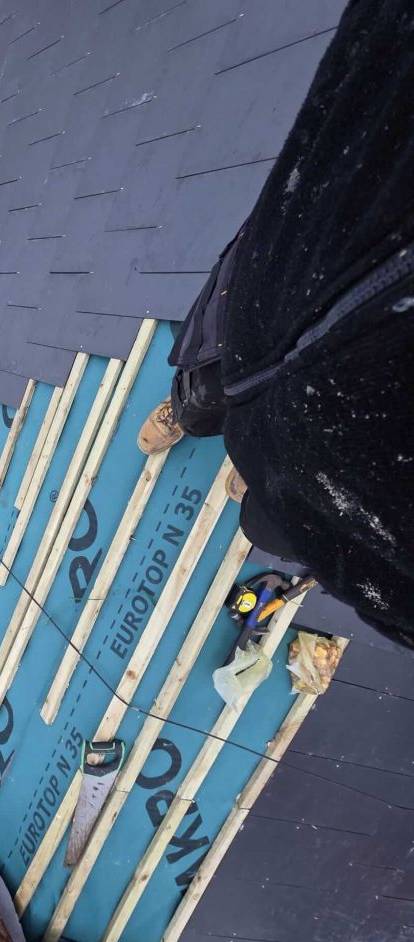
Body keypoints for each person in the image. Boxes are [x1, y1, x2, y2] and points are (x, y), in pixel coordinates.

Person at [138, 0, 414, 649]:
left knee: (269, 511)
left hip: (341, 488)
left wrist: (342, 561)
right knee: (213, 375)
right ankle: (195, 412)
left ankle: (267, 478)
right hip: (294, 260)